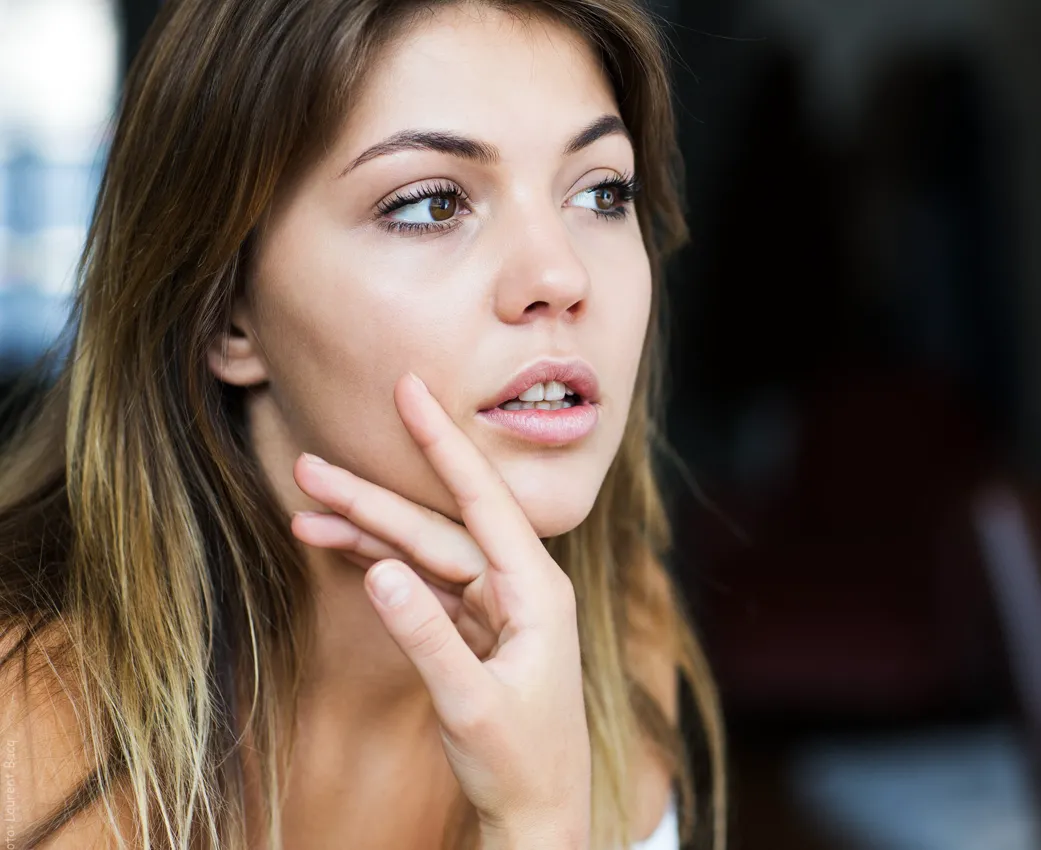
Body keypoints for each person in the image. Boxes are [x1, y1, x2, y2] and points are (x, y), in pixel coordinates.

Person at [0, 0, 726, 847]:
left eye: (603, 191)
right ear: (227, 314)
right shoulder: (28, 735)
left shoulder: (613, 632)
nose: (560, 274)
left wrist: (540, 816)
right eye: (430, 204)